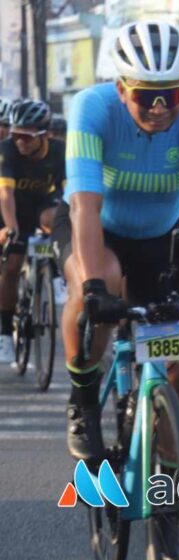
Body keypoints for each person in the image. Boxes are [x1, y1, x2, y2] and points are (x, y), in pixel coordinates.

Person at [58, 20, 179, 560]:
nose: (160, 108)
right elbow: (84, 205)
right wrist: (91, 289)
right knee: (102, 285)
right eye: (147, 97)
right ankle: (85, 395)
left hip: (160, 244)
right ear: (121, 89)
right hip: (98, 233)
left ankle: (172, 497)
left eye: (171, 95)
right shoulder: (91, 108)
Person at [0, 99, 65, 362]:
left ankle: (54, 271)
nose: (20, 142)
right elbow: (5, 193)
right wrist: (11, 228)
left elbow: (70, 189)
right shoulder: (6, 150)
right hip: (12, 208)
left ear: (45, 134)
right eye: (16, 136)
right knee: (12, 265)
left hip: (43, 206)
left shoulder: (60, 150)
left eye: (26, 137)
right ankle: (5, 333)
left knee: (54, 219)